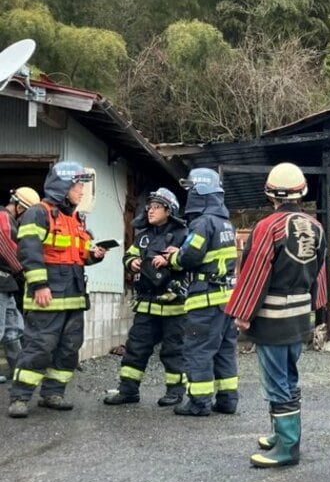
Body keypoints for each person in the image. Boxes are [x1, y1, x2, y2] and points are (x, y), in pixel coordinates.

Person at [225, 162, 327, 468]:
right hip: (298, 318)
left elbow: (255, 272)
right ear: (302, 193)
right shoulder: (316, 227)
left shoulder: (267, 227)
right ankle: (283, 434)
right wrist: (316, 306)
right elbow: (318, 273)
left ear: (271, 195)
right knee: (289, 376)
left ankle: (287, 446)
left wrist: (242, 314)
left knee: (276, 381)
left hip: (271, 318)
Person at [8, 162, 107, 418]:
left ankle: (53, 393)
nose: (82, 191)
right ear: (63, 185)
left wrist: (95, 254)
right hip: (47, 297)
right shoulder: (39, 213)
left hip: (73, 298)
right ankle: (19, 397)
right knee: (39, 347)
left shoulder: (75, 218)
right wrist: (40, 285)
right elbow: (29, 251)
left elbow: (80, 255)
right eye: (78, 185)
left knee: (68, 349)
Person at [104, 188, 189, 407]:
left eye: (157, 207)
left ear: (169, 210)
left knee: (173, 351)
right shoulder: (143, 237)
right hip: (146, 304)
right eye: (149, 207)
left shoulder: (183, 234)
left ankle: (175, 392)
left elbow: (190, 260)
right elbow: (129, 255)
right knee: (136, 349)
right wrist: (131, 263)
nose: (151, 211)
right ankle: (128, 390)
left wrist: (171, 260)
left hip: (174, 306)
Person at [166, 168, 238, 416]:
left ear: (200, 191)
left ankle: (199, 402)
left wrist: (173, 258)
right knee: (224, 350)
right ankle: (228, 399)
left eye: (191, 189)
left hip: (206, 298)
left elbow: (191, 255)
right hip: (227, 300)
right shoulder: (225, 223)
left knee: (198, 350)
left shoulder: (203, 222)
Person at [0, 187, 41, 383]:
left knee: (13, 329)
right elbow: (8, 248)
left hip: (6, 284)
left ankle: (19, 372)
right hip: (2, 281)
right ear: (19, 207)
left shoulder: (11, 221)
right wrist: (26, 269)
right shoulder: (2, 218)